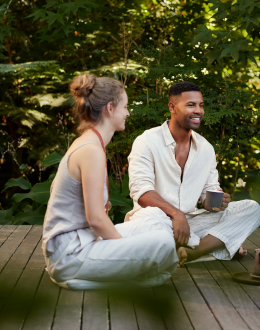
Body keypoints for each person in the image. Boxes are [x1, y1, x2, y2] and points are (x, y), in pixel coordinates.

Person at [43, 73, 178, 290]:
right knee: (163, 243)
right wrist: (126, 249)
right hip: (70, 256)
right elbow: (96, 218)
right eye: (125, 106)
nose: (127, 113)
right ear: (110, 108)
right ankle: (119, 280)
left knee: (155, 218)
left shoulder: (89, 142)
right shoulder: (90, 150)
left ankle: (115, 277)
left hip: (85, 241)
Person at [127, 81, 260, 265]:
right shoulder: (147, 141)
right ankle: (215, 245)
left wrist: (215, 202)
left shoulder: (206, 148)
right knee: (151, 226)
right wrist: (176, 214)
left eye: (201, 105)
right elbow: (141, 192)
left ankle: (193, 252)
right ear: (172, 107)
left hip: (191, 224)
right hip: (156, 221)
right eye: (191, 105)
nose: (199, 110)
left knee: (251, 209)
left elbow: (209, 195)